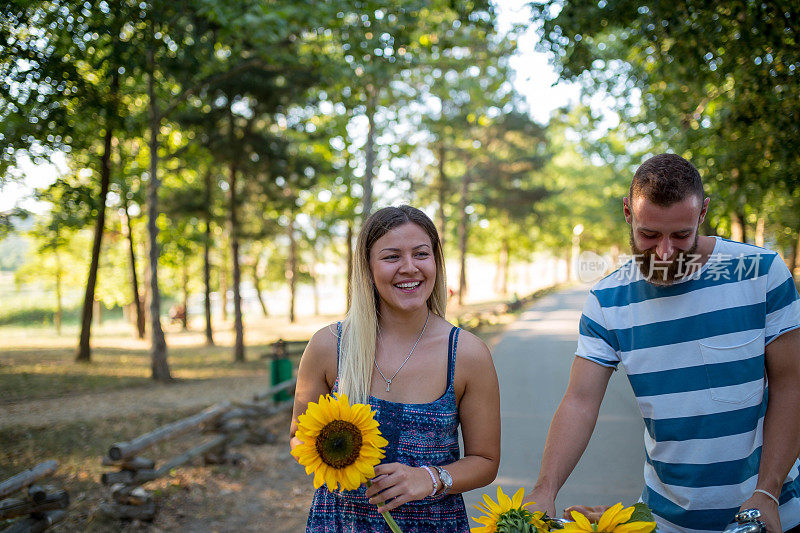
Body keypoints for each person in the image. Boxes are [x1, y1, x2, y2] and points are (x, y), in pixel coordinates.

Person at [524, 153, 800, 533]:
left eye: (681, 235)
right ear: (627, 212)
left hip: (768, 515)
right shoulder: (607, 301)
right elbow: (580, 401)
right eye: (649, 235)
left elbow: (792, 385)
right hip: (665, 520)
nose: (665, 252)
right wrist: (545, 488)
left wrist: (767, 493)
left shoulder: (762, 273)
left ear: (702, 213)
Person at [290, 205, 501, 532]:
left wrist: (430, 478)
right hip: (340, 524)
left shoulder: (467, 354)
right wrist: (340, 459)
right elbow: (298, 437)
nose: (409, 268)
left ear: (436, 262)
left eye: (421, 254)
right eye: (391, 257)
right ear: (367, 267)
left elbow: (485, 462)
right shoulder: (328, 346)